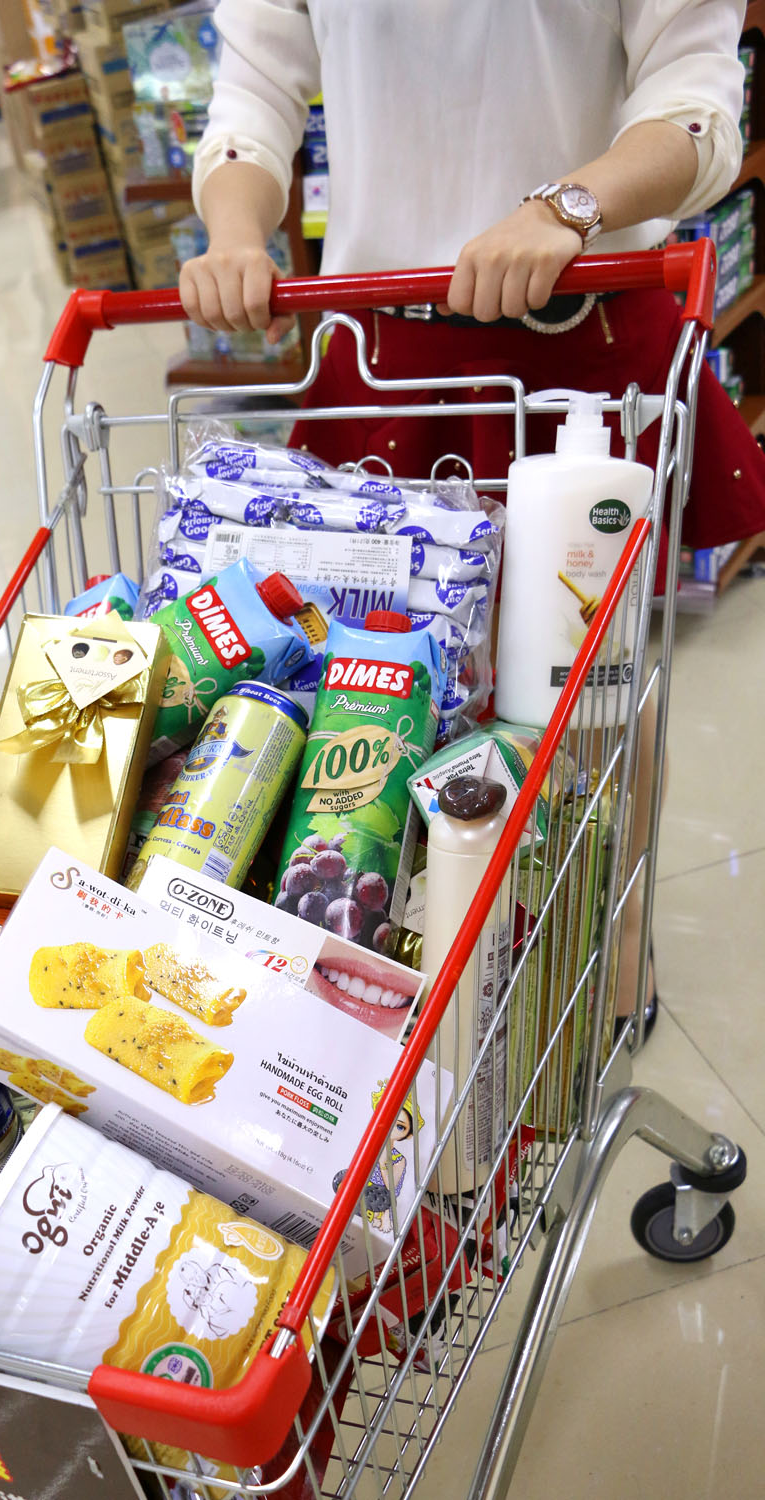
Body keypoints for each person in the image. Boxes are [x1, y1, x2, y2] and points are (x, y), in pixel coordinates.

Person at [181, 0, 765, 1034]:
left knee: (591, 688)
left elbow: (694, 99)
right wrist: (234, 233)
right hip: (382, 351)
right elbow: (256, 89)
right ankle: (409, 951)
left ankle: (610, 950)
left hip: (581, 327)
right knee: (367, 678)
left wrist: (568, 206)